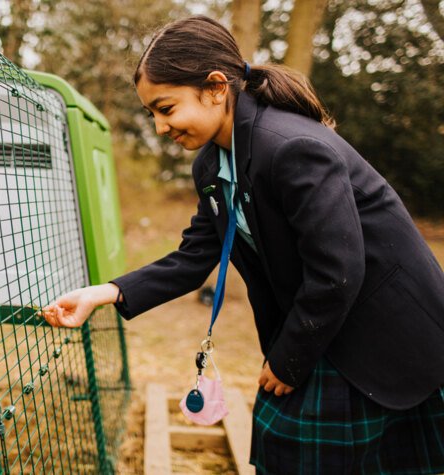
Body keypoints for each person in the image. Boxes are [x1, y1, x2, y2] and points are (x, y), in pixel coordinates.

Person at [41, 15, 444, 474]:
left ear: (215, 87)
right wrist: (103, 293)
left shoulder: (291, 147)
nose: (158, 127)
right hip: (324, 329)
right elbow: (194, 256)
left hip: (384, 338)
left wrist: (287, 362)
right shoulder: (213, 165)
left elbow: (337, 272)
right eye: (151, 113)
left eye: (166, 108)